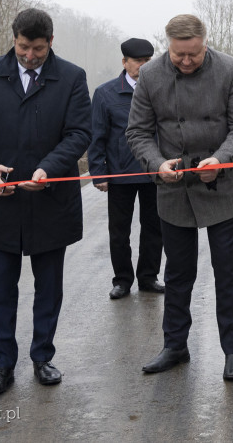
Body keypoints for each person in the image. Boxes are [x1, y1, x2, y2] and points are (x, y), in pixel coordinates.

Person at [0, 8, 92, 397]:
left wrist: (49, 168)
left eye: (37, 49)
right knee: (1, 288)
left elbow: (80, 132)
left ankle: (42, 357)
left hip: (50, 201)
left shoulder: (71, 77)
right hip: (2, 204)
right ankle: (2, 365)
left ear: (50, 42)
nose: (29, 56)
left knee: (48, 287)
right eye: (22, 48)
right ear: (13, 39)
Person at [125, 14, 233, 381]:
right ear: (169, 46)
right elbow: (137, 132)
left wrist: (223, 158)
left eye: (193, 55)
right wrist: (156, 164)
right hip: (173, 188)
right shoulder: (150, 76)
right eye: (179, 55)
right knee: (178, 273)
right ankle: (175, 345)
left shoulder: (229, 69)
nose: (185, 61)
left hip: (223, 187)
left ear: (204, 43)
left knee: (229, 273)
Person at [88, 37, 164, 300]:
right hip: (120, 174)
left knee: (154, 228)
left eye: (147, 61)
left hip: (155, 173)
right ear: (124, 62)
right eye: (137, 61)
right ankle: (122, 280)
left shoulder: (161, 90)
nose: (143, 66)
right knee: (119, 231)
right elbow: (97, 136)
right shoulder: (106, 94)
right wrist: (98, 172)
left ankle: (149, 277)